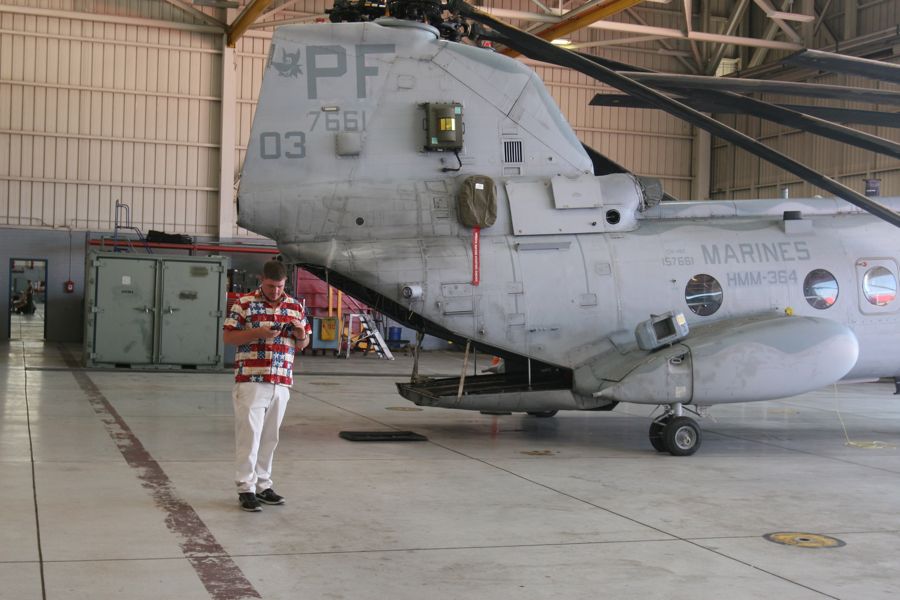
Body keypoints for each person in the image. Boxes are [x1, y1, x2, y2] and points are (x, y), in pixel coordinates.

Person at [223, 261, 311, 512]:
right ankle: (245, 488)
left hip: (281, 381)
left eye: (280, 287)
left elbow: (303, 344)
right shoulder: (244, 303)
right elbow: (228, 337)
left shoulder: (295, 307)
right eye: (271, 286)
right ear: (261, 280)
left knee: (270, 437)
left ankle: (263, 485)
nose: (275, 291)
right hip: (251, 379)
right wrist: (257, 333)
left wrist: (299, 334)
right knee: (249, 436)